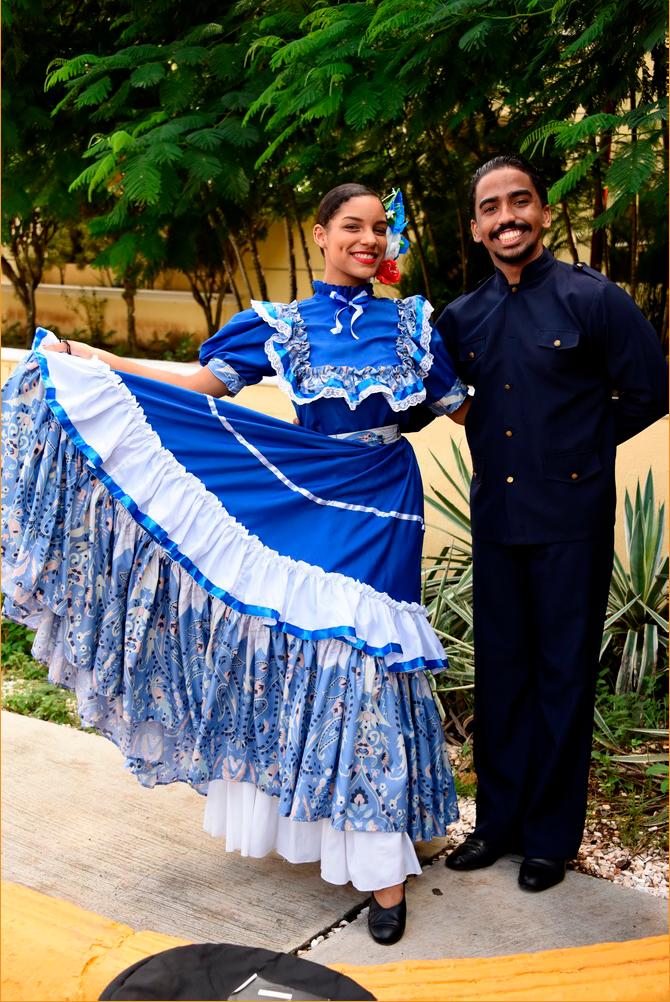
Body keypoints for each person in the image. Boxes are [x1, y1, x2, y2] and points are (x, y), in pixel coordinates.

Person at [1, 182, 470, 945]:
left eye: (379, 228)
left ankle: (385, 862)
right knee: (312, 657)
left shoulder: (414, 324)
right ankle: (349, 831)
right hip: (304, 491)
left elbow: (469, 409)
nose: (369, 239)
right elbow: (196, 391)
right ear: (319, 235)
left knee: (366, 665)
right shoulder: (279, 325)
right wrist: (96, 358)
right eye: (352, 226)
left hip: (386, 502)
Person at [435, 154, 668, 892]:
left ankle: (548, 840)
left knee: (562, 679)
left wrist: (579, 453)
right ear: (475, 228)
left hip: (572, 521)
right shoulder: (462, 317)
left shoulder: (592, 300)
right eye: (492, 208)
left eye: (520, 202)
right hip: (497, 520)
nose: (508, 217)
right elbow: (426, 395)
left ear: (542, 211)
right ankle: (497, 825)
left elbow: (649, 391)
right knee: (503, 678)